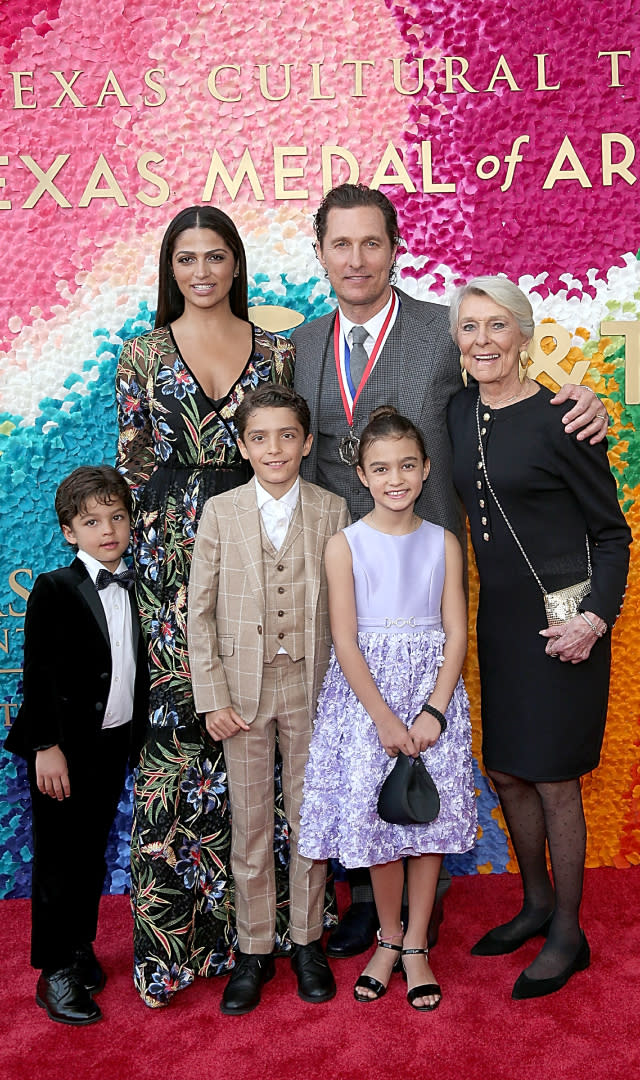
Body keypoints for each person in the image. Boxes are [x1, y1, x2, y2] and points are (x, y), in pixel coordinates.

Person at [292, 181, 608, 959]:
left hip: (437, 588)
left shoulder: (446, 332)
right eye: (342, 243)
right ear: (323, 253)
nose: (358, 258)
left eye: (373, 242)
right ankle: (370, 902)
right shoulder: (297, 344)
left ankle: (516, 918)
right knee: (366, 739)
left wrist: (584, 400)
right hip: (346, 575)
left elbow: (511, 399)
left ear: (396, 249)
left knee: (461, 743)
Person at [115, 206, 296, 1007]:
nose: (200, 271)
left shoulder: (279, 350)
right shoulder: (142, 354)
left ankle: (273, 933)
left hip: (262, 554)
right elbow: (132, 466)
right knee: (183, 735)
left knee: (262, 726)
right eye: (185, 257)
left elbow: (288, 455)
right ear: (170, 266)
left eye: (215, 256)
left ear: (236, 264)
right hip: (170, 563)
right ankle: (177, 943)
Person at [447, 276, 631, 999]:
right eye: (470, 328)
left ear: (525, 334)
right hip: (500, 621)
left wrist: (595, 617)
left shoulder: (564, 417)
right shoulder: (458, 411)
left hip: (568, 625)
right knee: (508, 771)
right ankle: (535, 904)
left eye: (498, 326)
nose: (483, 340)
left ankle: (569, 932)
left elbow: (611, 535)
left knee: (556, 780)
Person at [299, 407, 476, 1011]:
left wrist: (433, 712)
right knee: (381, 825)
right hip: (366, 702)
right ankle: (388, 939)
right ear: (362, 475)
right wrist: (383, 718)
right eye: (381, 468)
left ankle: (420, 943)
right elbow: (344, 641)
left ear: (426, 469)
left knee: (425, 823)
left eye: (406, 465)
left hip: (434, 699)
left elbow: (456, 633)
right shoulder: (343, 546)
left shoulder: (444, 543)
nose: (395, 477)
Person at [187, 384, 349, 1014]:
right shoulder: (220, 512)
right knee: (251, 824)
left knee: (310, 819)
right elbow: (198, 612)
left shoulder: (332, 509)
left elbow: (345, 611)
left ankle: (308, 940)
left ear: (307, 443)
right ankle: (253, 950)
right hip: (242, 695)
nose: (275, 448)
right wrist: (213, 695)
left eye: (288, 435)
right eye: (260, 437)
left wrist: (343, 692)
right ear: (243, 445)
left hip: (312, 687)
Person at [5, 466, 148, 1026]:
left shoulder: (140, 587)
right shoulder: (54, 588)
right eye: (92, 522)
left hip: (114, 744)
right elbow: (36, 672)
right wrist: (46, 746)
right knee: (60, 860)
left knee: (90, 854)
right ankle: (54, 972)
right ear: (70, 532)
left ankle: (79, 946)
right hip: (62, 749)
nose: (107, 530)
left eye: (117, 517)